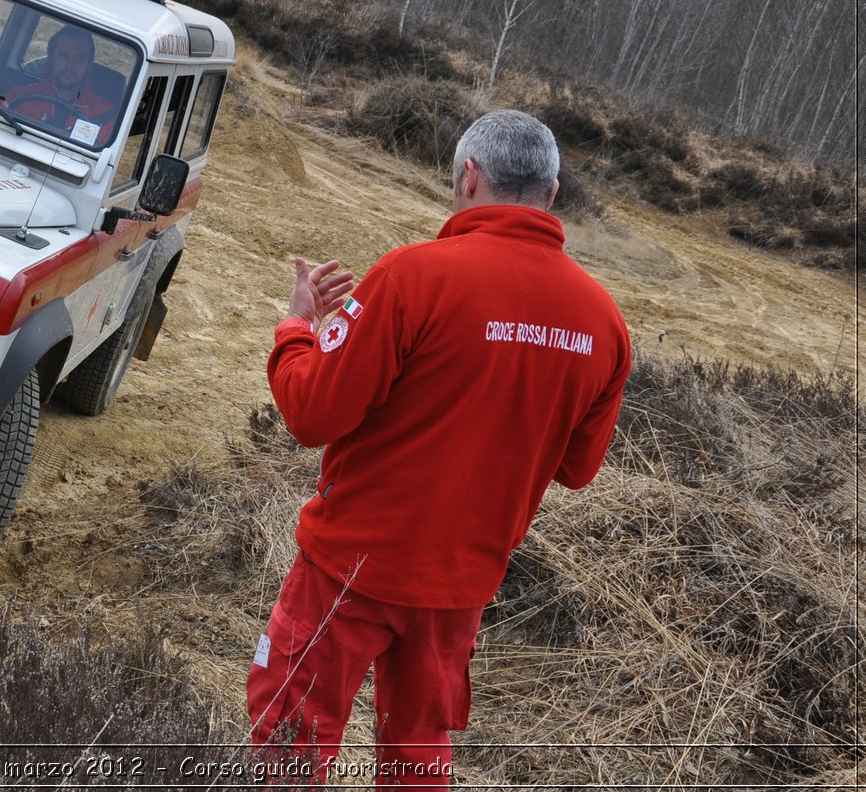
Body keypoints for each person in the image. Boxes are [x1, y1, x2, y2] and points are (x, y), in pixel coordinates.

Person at [247, 109, 632, 788]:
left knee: (289, 742)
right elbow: (578, 469)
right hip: (461, 586)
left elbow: (311, 411)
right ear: (552, 191)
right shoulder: (604, 323)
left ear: (470, 176)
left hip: (348, 569)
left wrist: (296, 328)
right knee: (418, 757)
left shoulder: (412, 276)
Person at [5, 25, 118, 146]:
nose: (70, 65)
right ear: (50, 56)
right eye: (64, 55)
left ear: (89, 64)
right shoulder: (18, 96)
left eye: (79, 58)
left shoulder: (106, 115)